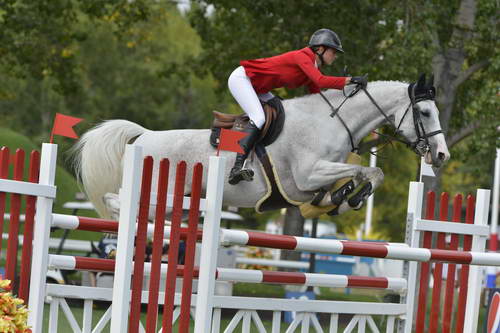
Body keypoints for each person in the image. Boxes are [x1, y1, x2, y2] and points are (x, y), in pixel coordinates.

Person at [227, 28, 368, 185]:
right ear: (320, 49)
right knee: (259, 117)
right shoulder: (302, 56)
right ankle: (236, 167)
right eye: (333, 52)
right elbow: (321, 81)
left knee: (280, 110)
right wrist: (350, 80)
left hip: (259, 88)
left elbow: (317, 96)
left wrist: (343, 106)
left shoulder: (313, 67)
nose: (335, 56)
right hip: (242, 79)